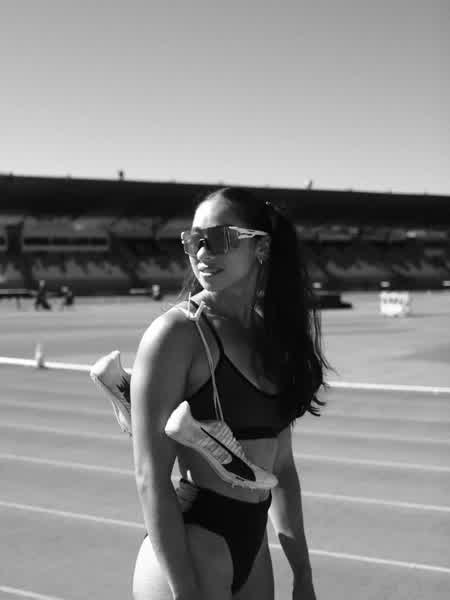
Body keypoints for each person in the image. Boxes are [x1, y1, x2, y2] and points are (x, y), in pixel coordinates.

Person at [131, 187, 329, 600]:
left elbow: (282, 467)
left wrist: (303, 573)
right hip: (192, 546)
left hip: (253, 548)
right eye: (193, 240)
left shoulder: (273, 340)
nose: (202, 252)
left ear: (261, 247)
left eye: (219, 238)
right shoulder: (177, 335)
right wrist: (184, 590)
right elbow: (150, 477)